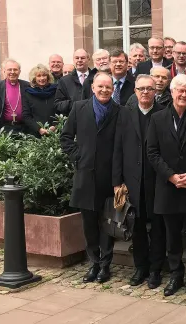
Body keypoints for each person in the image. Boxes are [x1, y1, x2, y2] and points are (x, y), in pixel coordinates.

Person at [146, 74, 186, 298]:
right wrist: (171, 176)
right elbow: (152, 152)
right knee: (171, 237)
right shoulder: (157, 118)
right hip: (168, 188)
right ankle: (175, 276)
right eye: (179, 91)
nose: (183, 95)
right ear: (172, 92)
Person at [60, 72, 120, 284]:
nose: (104, 90)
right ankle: (93, 263)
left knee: (106, 223)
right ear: (93, 87)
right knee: (89, 224)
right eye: (100, 86)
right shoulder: (79, 108)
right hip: (85, 175)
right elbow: (66, 137)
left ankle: (105, 265)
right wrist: (79, 157)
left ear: (113, 89)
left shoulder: (119, 112)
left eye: (108, 87)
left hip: (109, 177)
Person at [113, 74, 166, 289]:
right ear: (135, 91)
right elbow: (117, 149)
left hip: (158, 182)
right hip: (132, 182)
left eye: (149, 89)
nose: (145, 92)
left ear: (156, 91)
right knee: (137, 228)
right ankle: (140, 268)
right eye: (141, 89)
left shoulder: (163, 113)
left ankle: (155, 270)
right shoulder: (125, 114)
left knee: (158, 228)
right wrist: (117, 181)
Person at [0, 59, 30, 138]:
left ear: (19, 71)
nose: (12, 72)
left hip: (24, 128)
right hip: (4, 129)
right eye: (9, 69)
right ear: (4, 71)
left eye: (15, 69)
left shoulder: (27, 86)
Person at [22, 64, 58, 137]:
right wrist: (39, 129)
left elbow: (60, 111)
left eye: (44, 75)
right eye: (39, 76)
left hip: (55, 132)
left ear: (48, 77)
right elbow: (26, 115)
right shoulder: (28, 93)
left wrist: (55, 126)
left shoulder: (56, 91)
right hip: (35, 134)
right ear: (34, 78)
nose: (42, 78)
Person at [54, 49, 90, 115]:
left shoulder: (96, 78)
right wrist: (74, 104)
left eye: (82, 58)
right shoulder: (64, 80)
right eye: (77, 58)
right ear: (73, 60)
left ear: (88, 59)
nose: (79, 60)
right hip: (73, 119)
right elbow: (58, 104)